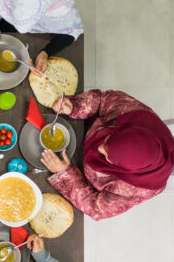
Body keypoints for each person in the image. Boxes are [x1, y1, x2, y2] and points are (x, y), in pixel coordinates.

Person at [40, 90, 174, 220]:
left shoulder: (136, 190)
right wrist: (75, 106)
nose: (99, 148)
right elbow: (101, 100)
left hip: (79, 177)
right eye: (109, 138)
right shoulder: (135, 113)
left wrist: (65, 174)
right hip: (80, 128)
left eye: (109, 157)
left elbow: (95, 208)